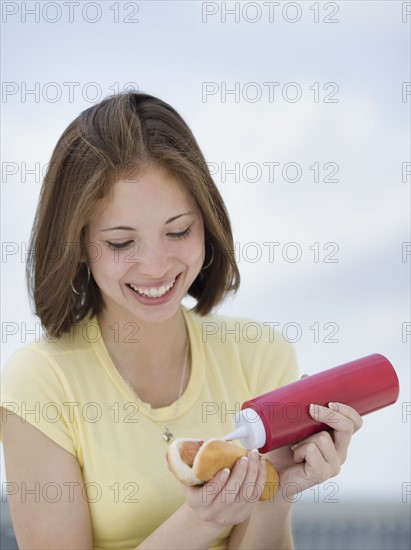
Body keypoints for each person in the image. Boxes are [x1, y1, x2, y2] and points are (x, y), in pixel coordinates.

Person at [0, 91, 362, 549]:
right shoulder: (38, 382)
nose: (155, 265)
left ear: (207, 224)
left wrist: (279, 490)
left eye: (178, 231)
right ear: (78, 245)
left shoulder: (260, 355)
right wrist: (200, 523)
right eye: (119, 243)